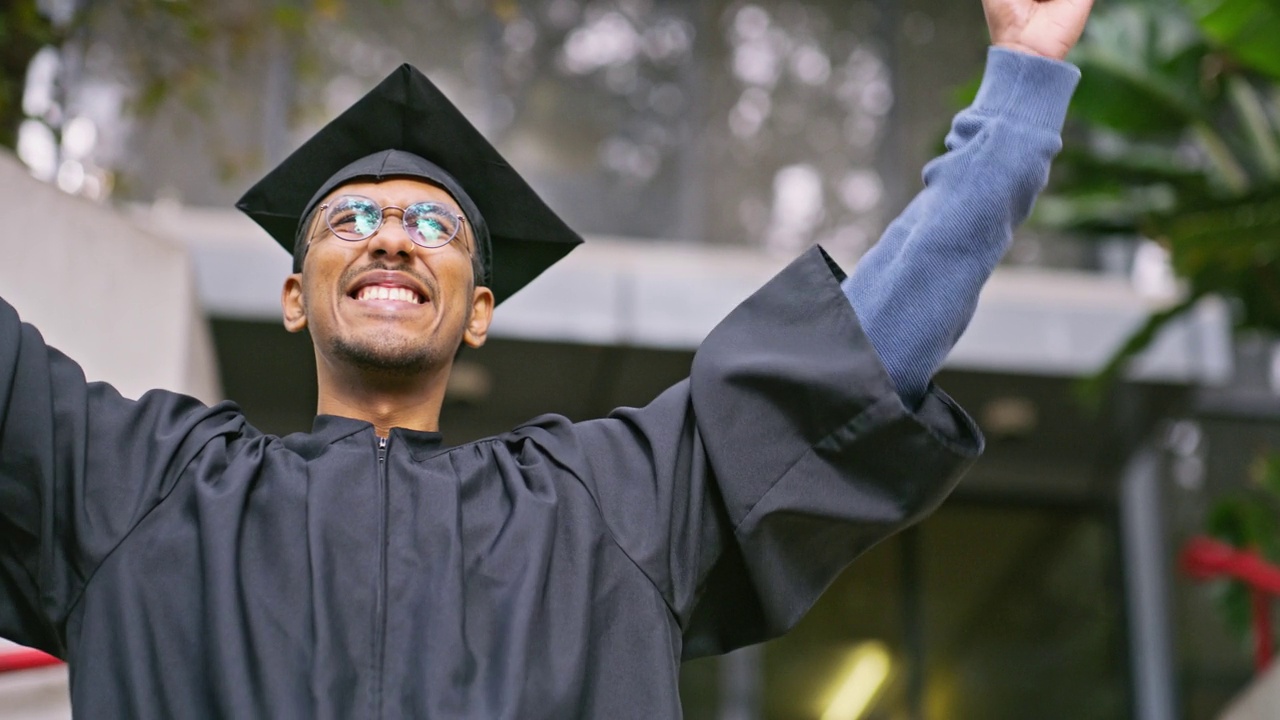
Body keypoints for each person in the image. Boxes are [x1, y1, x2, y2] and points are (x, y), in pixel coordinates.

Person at [0, 0, 1094, 717]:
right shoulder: (146, 487)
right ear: (294, 297)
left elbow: (851, 360)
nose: (390, 236)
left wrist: (1015, 98)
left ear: (477, 312)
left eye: (433, 228)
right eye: (354, 219)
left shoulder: (598, 508)